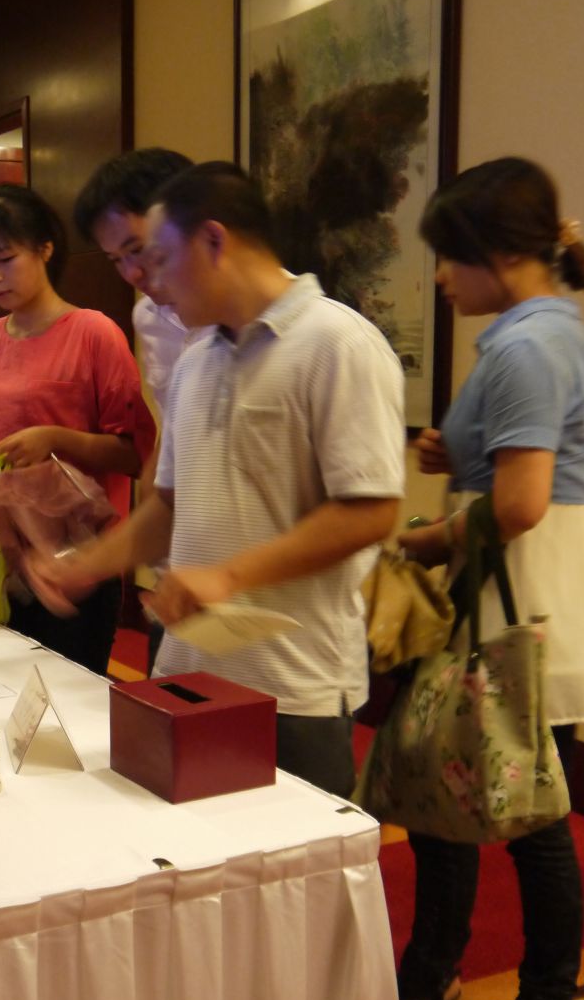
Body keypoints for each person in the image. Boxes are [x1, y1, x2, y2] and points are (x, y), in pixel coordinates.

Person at [29, 161, 404, 796]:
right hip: (187, 666)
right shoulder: (198, 359)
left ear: (213, 240)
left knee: (292, 856)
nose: (148, 282)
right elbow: (170, 506)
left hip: (292, 684)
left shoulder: (337, 343)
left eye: (159, 258)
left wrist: (228, 576)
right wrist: (86, 565)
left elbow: (370, 511)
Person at [392, 156, 584, 1000]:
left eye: (450, 257)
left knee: (516, 821)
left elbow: (522, 504)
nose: (443, 278)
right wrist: (457, 453)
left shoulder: (526, 348)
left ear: (496, 253)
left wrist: (423, 541)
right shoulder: (558, 334)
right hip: (546, 589)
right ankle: (461, 984)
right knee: (490, 812)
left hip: (517, 597)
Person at [0, 183, 155, 674]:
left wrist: (57, 439)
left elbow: (135, 454)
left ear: (45, 248)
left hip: (76, 559)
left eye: (6, 259)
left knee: (70, 695)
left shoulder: (94, 333)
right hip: (0, 558)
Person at [73, 146, 205, 496]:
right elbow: (172, 429)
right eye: (116, 259)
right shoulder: (148, 317)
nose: (132, 273)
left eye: (137, 249)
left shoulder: (266, 322)